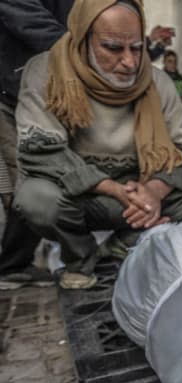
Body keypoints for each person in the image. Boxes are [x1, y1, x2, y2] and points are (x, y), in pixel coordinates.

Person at [12, 0, 182, 289]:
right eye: (113, 48)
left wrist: (154, 191)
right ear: (83, 39)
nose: (130, 62)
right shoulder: (46, 72)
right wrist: (112, 189)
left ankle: (118, 249)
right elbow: (42, 153)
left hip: (136, 198)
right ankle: (80, 255)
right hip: (82, 198)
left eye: (137, 47)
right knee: (35, 198)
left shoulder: (158, 82)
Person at [0, 0, 73, 290]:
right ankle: (11, 266)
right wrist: (79, 48)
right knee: (28, 180)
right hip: (12, 92)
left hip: (41, 91)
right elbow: (25, 18)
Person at [162, 50, 182, 125]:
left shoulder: (180, 79)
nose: (173, 64)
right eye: (170, 61)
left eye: (175, 61)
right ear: (164, 62)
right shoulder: (160, 79)